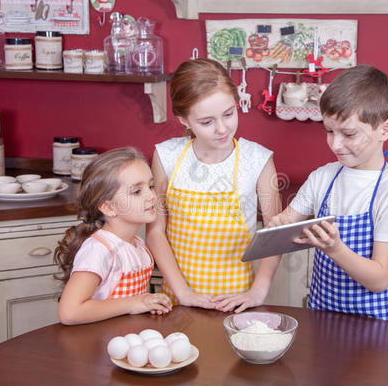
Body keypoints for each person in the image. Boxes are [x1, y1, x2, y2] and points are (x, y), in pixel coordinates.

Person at [269, 64, 388, 322]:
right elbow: (287, 222)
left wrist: (335, 249)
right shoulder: (322, 178)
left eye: (349, 133)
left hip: (375, 326)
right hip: (322, 318)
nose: (335, 144)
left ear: (385, 129)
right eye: (329, 131)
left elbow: (380, 279)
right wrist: (279, 227)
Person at [146, 58, 282, 313]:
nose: (222, 129)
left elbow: (274, 234)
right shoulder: (166, 156)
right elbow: (155, 232)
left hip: (236, 298)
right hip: (177, 297)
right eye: (207, 122)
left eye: (229, 114)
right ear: (184, 120)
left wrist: (257, 292)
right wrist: (184, 293)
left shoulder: (258, 159)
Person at [55, 146, 172, 325]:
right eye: (137, 191)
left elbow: (134, 304)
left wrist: (147, 302)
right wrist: (134, 303)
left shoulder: (137, 244)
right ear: (108, 207)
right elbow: (69, 312)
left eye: (151, 186)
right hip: (99, 346)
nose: (151, 196)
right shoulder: (99, 250)